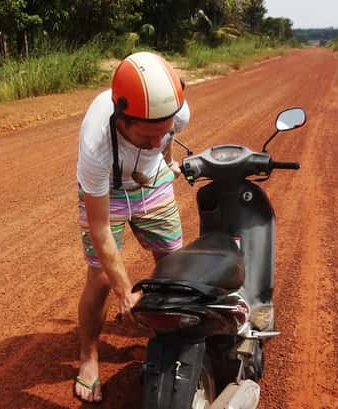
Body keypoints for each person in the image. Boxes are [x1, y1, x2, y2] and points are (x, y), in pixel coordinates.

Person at [74, 51, 190, 403]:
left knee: (174, 261)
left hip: (152, 182)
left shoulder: (177, 113)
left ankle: (166, 339)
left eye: (163, 133)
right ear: (121, 119)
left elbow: (166, 140)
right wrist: (126, 290)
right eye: (145, 137)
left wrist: (167, 164)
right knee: (102, 276)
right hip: (108, 189)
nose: (156, 142)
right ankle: (88, 356)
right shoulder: (96, 144)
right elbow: (100, 228)